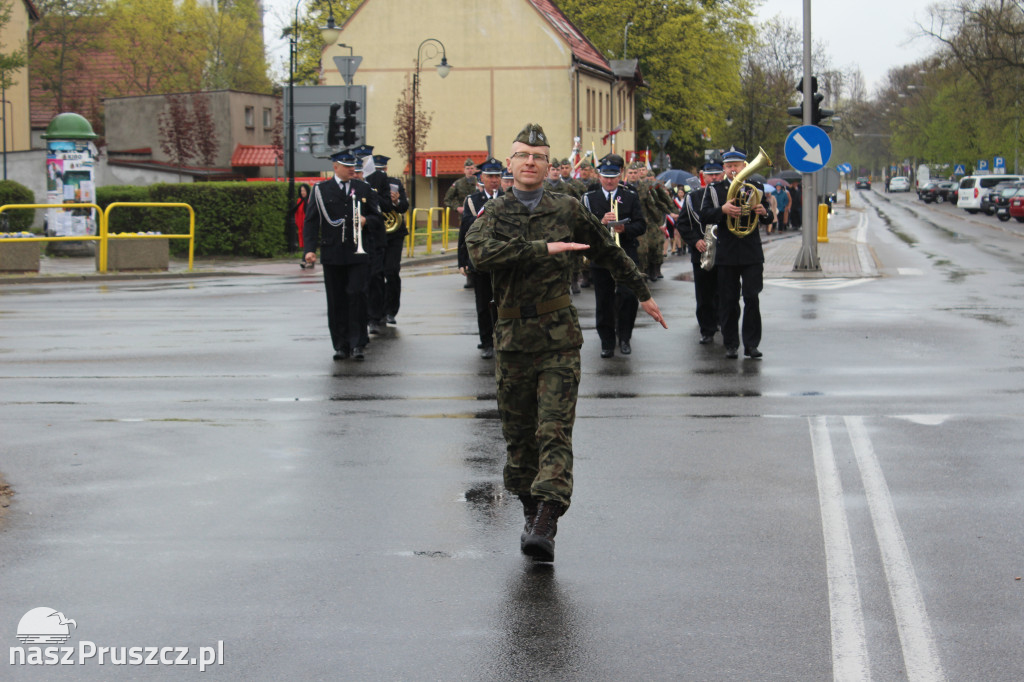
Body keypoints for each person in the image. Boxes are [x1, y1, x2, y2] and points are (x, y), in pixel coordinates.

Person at [466, 123, 666, 563]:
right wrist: (543, 248)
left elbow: (609, 251)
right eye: (522, 155)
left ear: (547, 162)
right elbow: (479, 256)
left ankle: (547, 521)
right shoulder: (495, 213)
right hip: (513, 339)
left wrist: (642, 291)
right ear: (511, 164)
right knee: (519, 442)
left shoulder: (569, 207)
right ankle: (531, 510)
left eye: (538, 155)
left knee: (553, 430)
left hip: (558, 336)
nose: (530, 162)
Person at [303, 151, 383, 361]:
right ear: (335, 166)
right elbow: (311, 221)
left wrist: (367, 220)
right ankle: (340, 344)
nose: (351, 169)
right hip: (333, 253)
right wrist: (309, 249)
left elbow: (378, 217)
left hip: (358, 252)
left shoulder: (364, 188)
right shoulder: (321, 190)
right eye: (346, 165)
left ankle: (358, 343)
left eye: (353, 165)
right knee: (336, 299)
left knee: (356, 295)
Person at [699, 146, 772, 359]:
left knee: (752, 298)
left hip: (751, 253)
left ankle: (751, 345)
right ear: (724, 168)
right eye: (729, 166)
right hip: (727, 253)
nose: (733, 170)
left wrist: (763, 211)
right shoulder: (714, 189)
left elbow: (769, 218)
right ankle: (731, 344)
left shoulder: (755, 186)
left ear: (744, 166)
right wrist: (722, 210)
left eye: (736, 166)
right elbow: (704, 215)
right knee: (729, 301)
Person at [583, 159, 647, 357]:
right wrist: (601, 223)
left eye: (613, 177)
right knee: (604, 301)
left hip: (626, 254)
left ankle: (625, 337)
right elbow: (582, 227)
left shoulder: (630, 196)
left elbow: (641, 225)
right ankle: (607, 342)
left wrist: (624, 229)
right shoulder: (589, 197)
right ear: (599, 176)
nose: (609, 181)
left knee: (629, 297)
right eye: (605, 177)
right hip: (601, 256)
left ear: (620, 176)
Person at [457, 157, 504, 359]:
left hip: (503, 260)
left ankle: (502, 339)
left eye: (497, 176)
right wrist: (462, 261)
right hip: (481, 260)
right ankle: (486, 342)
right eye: (490, 176)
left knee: (503, 304)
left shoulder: (508, 197)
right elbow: (465, 232)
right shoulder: (472, 201)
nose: (494, 180)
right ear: (481, 178)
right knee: (483, 304)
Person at [679, 161, 724, 345]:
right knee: (704, 294)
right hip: (702, 252)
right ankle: (707, 330)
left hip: (725, 252)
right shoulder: (693, 197)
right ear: (703, 176)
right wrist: (694, 240)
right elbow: (682, 224)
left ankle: (724, 322)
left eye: (717, 174)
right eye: (710, 175)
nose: (714, 178)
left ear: (722, 175)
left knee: (725, 292)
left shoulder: (728, 193)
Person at [369, 155, 409, 326]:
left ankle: (391, 310)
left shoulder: (395, 183)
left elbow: (404, 206)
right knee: (376, 274)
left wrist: (396, 201)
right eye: (377, 170)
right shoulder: (367, 184)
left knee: (391, 271)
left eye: (382, 170)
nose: (381, 173)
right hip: (376, 233)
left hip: (394, 234)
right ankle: (376, 312)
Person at [291, 183, 312, 268]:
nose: (302, 192)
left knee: (307, 243)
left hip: (309, 225)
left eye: (304, 190)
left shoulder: (310, 200)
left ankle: (305, 260)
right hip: (301, 226)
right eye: (301, 191)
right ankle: (308, 260)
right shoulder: (299, 201)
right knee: (305, 243)